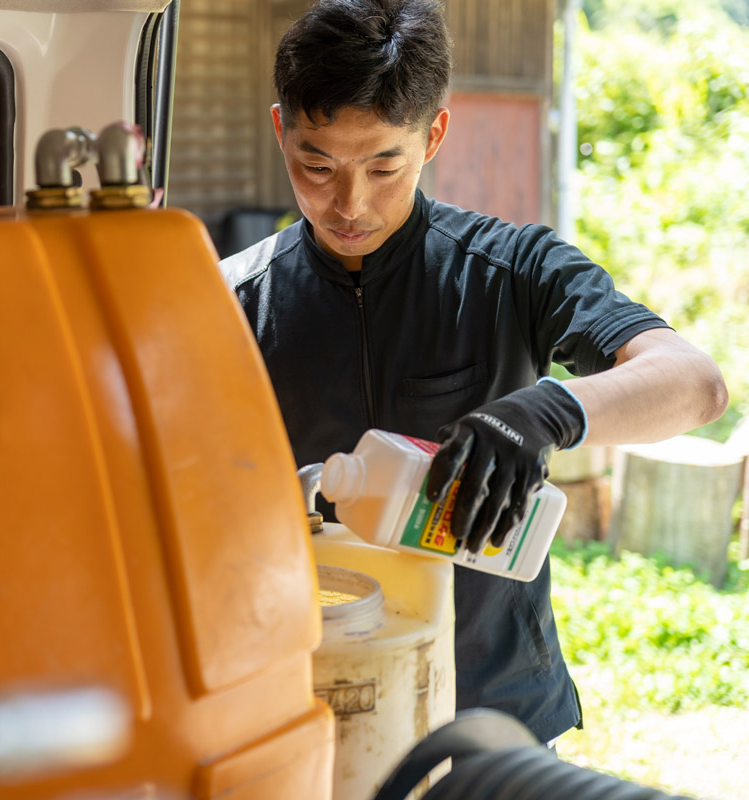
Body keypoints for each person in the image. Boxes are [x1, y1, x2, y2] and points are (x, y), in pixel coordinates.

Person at [218, 0, 727, 745]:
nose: (349, 203)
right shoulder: (227, 304)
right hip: (314, 715)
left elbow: (694, 384)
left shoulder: (512, 270)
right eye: (316, 165)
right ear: (279, 131)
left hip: (496, 717)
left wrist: (547, 412)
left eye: (384, 164)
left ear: (435, 135)